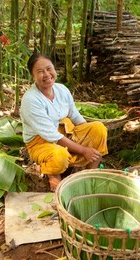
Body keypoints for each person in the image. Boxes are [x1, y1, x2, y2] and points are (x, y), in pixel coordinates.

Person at [20, 53, 108, 191]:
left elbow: (74, 114)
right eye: (40, 71)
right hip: (40, 142)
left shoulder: (61, 89)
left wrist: (88, 136)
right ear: (33, 76)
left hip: (63, 133)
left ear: (54, 69)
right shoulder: (30, 99)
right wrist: (84, 150)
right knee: (58, 155)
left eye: (49, 69)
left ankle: (88, 177)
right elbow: (51, 136)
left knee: (98, 129)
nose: (47, 74)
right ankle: (54, 180)